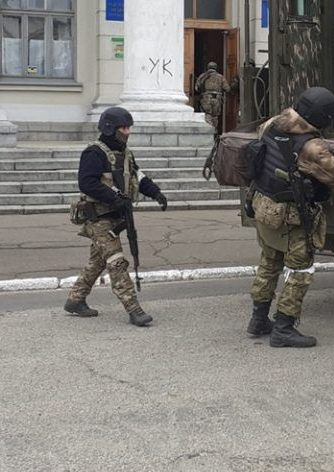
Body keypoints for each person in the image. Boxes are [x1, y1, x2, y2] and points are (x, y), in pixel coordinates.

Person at [247, 86, 334, 348]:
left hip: (264, 207)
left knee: (269, 263)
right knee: (300, 270)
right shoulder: (313, 147)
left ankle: (258, 319)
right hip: (291, 216)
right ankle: (284, 327)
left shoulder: (272, 124)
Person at [64, 106, 169, 326]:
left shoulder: (125, 153)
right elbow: (87, 183)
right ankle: (133, 309)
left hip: (116, 216)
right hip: (97, 218)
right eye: (123, 127)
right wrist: (114, 197)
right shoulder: (94, 152)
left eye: (129, 127)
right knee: (116, 261)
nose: (127, 132)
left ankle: (75, 300)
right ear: (110, 128)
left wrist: (155, 192)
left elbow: (137, 176)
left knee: (98, 262)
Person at [194, 61, 231, 130]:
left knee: (207, 115)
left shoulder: (202, 76)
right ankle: (214, 132)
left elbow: (196, 88)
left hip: (206, 98)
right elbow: (227, 88)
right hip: (217, 99)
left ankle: (209, 132)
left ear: (208, 67)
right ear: (216, 68)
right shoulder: (220, 77)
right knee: (215, 116)